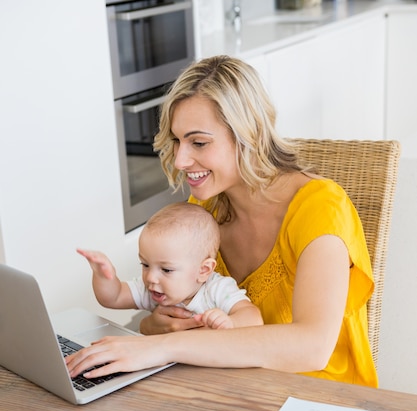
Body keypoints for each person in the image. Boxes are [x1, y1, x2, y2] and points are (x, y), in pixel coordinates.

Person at [67, 55, 378, 387]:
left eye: (199, 142)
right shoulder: (207, 208)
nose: (181, 159)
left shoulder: (320, 209)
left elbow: (311, 348)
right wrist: (158, 329)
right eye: (177, 141)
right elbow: (161, 321)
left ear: (249, 136)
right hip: (234, 389)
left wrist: (163, 345)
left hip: (324, 399)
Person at [77, 201, 263, 330]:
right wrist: (102, 275)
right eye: (145, 265)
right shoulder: (153, 290)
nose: (150, 277)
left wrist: (231, 323)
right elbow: (113, 297)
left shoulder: (217, 290)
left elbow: (253, 318)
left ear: (203, 270)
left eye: (166, 269)